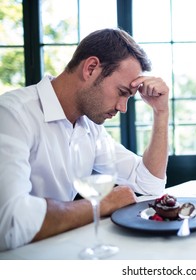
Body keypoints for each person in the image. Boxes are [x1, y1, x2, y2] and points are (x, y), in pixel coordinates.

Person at [0, 28, 169, 251]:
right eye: (121, 92)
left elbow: (151, 184)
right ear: (90, 69)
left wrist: (161, 113)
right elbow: (11, 224)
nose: (122, 107)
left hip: (62, 250)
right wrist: (103, 203)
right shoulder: (12, 115)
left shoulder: (89, 126)